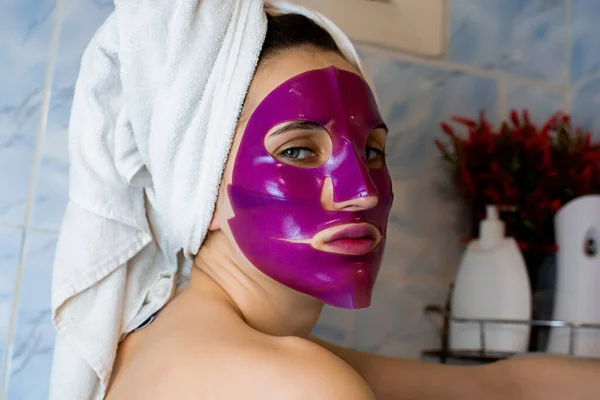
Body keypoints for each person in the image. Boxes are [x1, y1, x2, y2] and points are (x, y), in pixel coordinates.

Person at [103, 12, 600, 400]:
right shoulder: (300, 384)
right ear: (202, 188)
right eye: (297, 151)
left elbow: (500, 391)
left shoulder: (151, 343)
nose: (361, 190)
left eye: (372, 152)